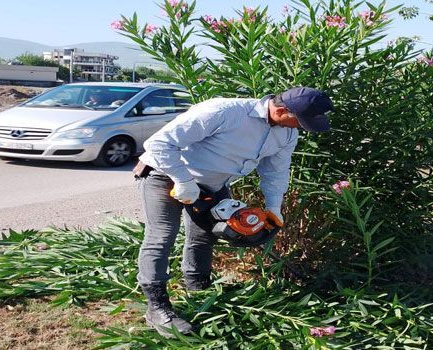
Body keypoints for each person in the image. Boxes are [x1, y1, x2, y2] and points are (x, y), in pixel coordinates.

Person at [135, 87, 334, 337]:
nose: (301, 128)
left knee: (206, 236)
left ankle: (199, 290)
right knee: (162, 235)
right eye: (300, 122)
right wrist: (183, 180)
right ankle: (157, 308)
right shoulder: (224, 112)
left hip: (212, 185)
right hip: (165, 174)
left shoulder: (286, 133)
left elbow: (276, 172)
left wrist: (273, 206)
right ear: (281, 110)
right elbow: (159, 144)